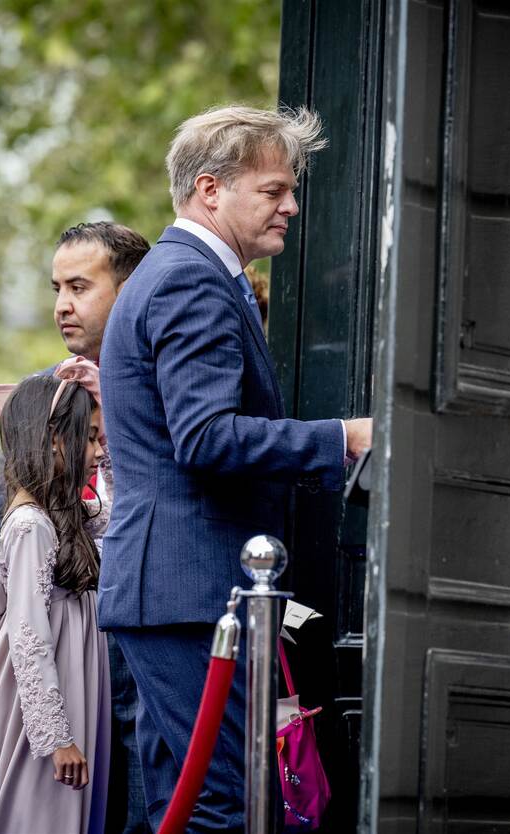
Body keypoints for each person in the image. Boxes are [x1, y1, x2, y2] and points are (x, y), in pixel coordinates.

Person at [98, 105, 373, 830]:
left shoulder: (182, 272)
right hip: (189, 592)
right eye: (275, 189)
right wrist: (340, 437)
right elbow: (207, 437)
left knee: (182, 808)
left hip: (174, 591)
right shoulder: (193, 279)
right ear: (210, 189)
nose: (292, 205)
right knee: (224, 807)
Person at [0, 220, 151, 833]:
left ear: (129, 291)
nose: (62, 305)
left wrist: (118, 407)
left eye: (79, 286)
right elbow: (8, 521)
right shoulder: (42, 393)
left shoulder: (161, 386)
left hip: (141, 640)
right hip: (52, 648)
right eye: (55, 288)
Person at [0, 370, 113, 833]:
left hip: (70, 680)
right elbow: (28, 635)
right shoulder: (31, 526)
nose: (99, 452)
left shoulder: (66, 518)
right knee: (38, 813)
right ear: (56, 441)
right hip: (39, 706)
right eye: (91, 439)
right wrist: (55, 736)